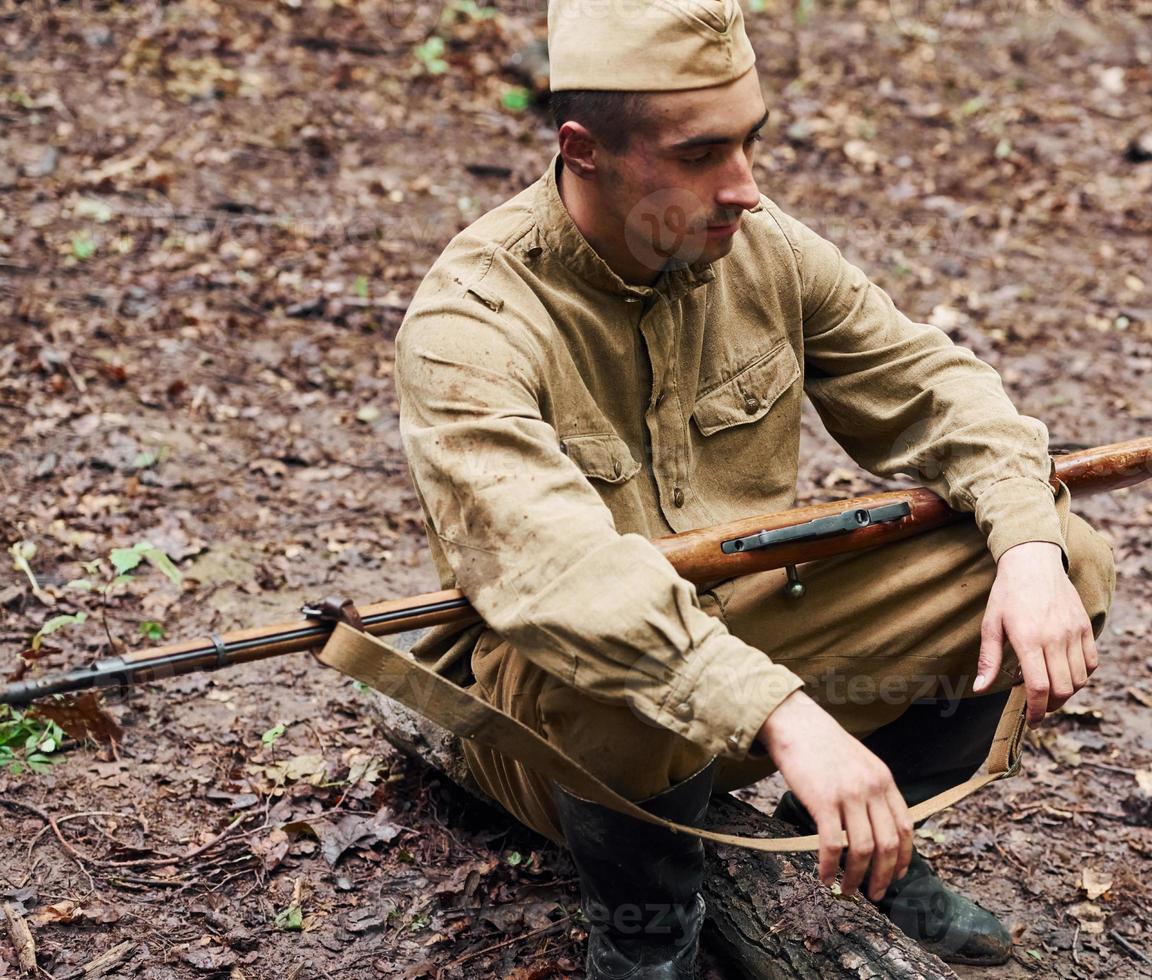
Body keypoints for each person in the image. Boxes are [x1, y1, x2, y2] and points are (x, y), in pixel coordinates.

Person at [394, 0, 1115, 974]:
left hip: (754, 645)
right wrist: (783, 714)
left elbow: (935, 384)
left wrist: (1029, 548)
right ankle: (648, 935)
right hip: (556, 729)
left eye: (750, 142)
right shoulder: (472, 319)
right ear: (584, 148)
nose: (744, 187)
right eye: (700, 154)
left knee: (1060, 550)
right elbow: (562, 580)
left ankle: (881, 848)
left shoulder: (760, 245)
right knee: (618, 669)